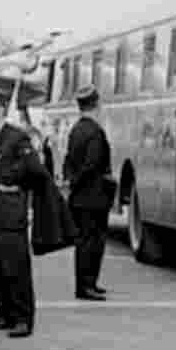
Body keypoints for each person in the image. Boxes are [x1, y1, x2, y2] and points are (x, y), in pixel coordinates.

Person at [0, 78, 44, 338]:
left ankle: (23, 318)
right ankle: (4, 314)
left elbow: (35, 171)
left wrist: (10, 180)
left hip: (10, 210)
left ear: (2, 109)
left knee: (15, 268)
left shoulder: (17, 138)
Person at [63, 85, 112, 301]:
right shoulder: (95, 131)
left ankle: (87, 283)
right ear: (97, 104)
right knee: (92, 242)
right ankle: (86, 285)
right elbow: (92, 164)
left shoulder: (76, 130)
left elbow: (68, 160)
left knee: (84, 241)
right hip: (94, 196)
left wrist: (72, 183)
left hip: (81, 196)